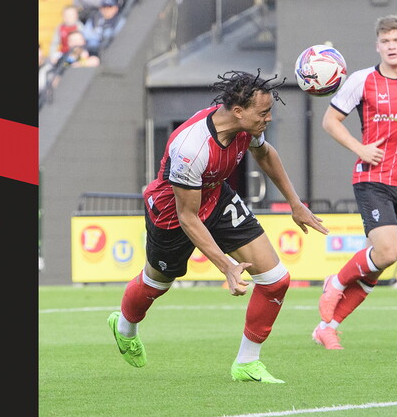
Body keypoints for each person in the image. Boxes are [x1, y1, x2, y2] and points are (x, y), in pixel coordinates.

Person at [107, 69, 329, 383]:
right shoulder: (191, 148)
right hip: (173, 212)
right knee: (157, 282)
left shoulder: (245, 126)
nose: (268, 119)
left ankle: (246, 363)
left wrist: (295, 203)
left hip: (216, 195)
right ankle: (125, 327)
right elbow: (188, 217)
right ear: (238, 111)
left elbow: (264, 153)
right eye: (263, 113)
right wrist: (226, 265)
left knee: (276, 279)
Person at [314, 14, 397, 350]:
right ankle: (335, 281)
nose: (391, 46)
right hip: (371, 178)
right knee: (388, 251)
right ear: (378, 46)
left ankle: (327, 327)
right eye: (385, 41)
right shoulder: (362, 81)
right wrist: (359, 148)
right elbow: (330, 121)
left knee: (379, 267)